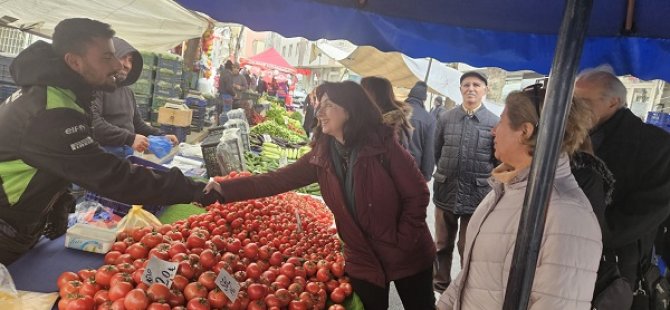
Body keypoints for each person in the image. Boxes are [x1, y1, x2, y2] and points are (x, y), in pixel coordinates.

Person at [204, 81, 436, 310]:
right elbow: (275, 180)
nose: (319, 112)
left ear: (349, 110)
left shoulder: (383, 147)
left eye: (328, 105)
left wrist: (403, 239)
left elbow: (417, 194)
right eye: (319, 105)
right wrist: (224, 189)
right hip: (363, 258)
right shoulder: (322, 156)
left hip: (407, 253)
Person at [0, 18, 212, 265]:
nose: (117, 66)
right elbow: (112, 177)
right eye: (106, 58)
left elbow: (54, 163)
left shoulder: (57, 94)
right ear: (74, 62)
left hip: (20, 222)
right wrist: (196, 190)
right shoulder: (50, 111)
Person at [438, 87, 602, 310]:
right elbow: (473, 276)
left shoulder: (567, 214)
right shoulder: (506, 187)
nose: (494, 131)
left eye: (502, 122)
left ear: (524, 131)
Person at [574, 66, 670, 299]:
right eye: (572, 102)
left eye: (583, 102)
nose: (573, 110)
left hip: (617, 271)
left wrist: (586, 232)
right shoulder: (573, 135)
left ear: (613, 102)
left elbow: (641, 216)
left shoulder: (656, 145)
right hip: (569, 255)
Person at [432, 71, 499, 293]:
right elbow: (437, 151)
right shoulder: (445, 118)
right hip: (446, 190)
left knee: (468, 246)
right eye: (466, 85)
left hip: (477, 194)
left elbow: (496, 159)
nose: (471, 88)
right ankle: (440, 284)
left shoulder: (493, 122)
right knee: (442, 244)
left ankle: (465, 288)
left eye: (477, 85)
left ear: (485, 90)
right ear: (460, 89)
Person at [91, 37, 178, 158]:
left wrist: (161, 135)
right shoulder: (97, 87)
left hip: (125, 154)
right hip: (103, 156)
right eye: (123, 58)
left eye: (130, 60)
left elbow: (137, 124)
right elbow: (94, 123)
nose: (127, 65)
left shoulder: (127, 92)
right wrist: (130, 138)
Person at [361, 76, 413, 148]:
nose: (359, 96)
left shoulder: (392, 127)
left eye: (362, 91)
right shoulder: (375, 120)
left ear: (375, 95)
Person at [405, 81, 436, 181]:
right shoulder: (429, 119)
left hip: (389, 168)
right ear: (423, 99)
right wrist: (426, 176)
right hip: (412, 170)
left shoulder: (395, 110)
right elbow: (429, 150)